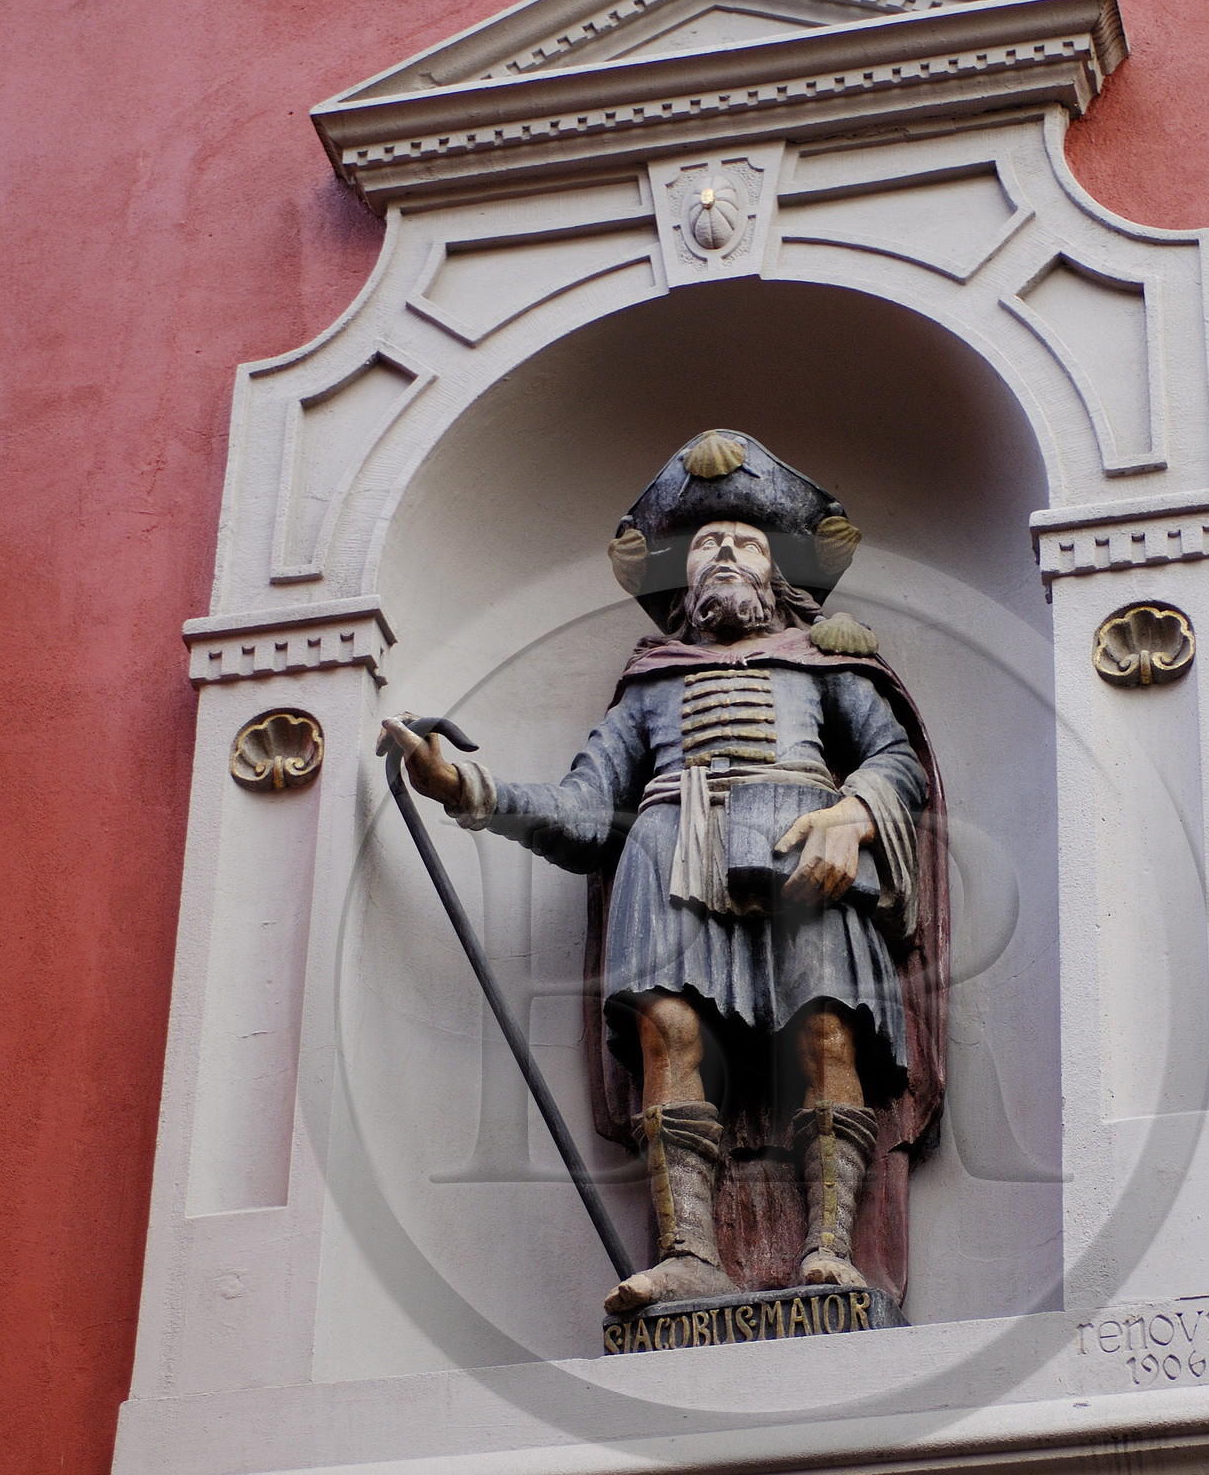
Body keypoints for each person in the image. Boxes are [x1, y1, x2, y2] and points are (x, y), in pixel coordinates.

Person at [384, 430, 945, 1319]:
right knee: (668, 1041)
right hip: (666, 860)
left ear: (776, 572)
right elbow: (583, 812)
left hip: (805, 852)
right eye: (707, 545)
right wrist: (466, 786)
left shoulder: (826, 662)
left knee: (827, 1039)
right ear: (683, 578)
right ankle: (691, 1254)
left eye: (747, 542)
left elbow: (895, 757)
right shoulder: (650, 686)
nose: (724, 553)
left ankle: (829, 1247)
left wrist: (852, 813)